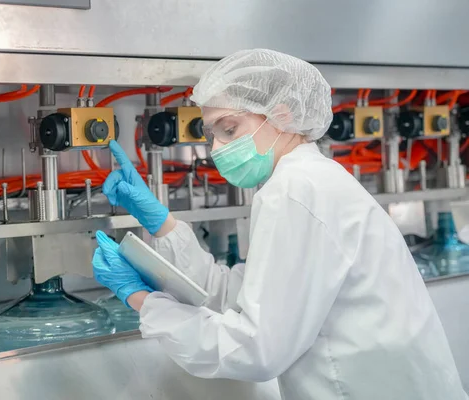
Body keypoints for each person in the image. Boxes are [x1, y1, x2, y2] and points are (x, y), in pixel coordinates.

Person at [91, 49, 467, 399]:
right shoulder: (306, 178)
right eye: (211, 134)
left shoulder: (294, 190)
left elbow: (257, 348)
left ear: (282, 114)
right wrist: (162, 223)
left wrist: (140, 300)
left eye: (229, 128)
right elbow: (240, 296)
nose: (217, 148)